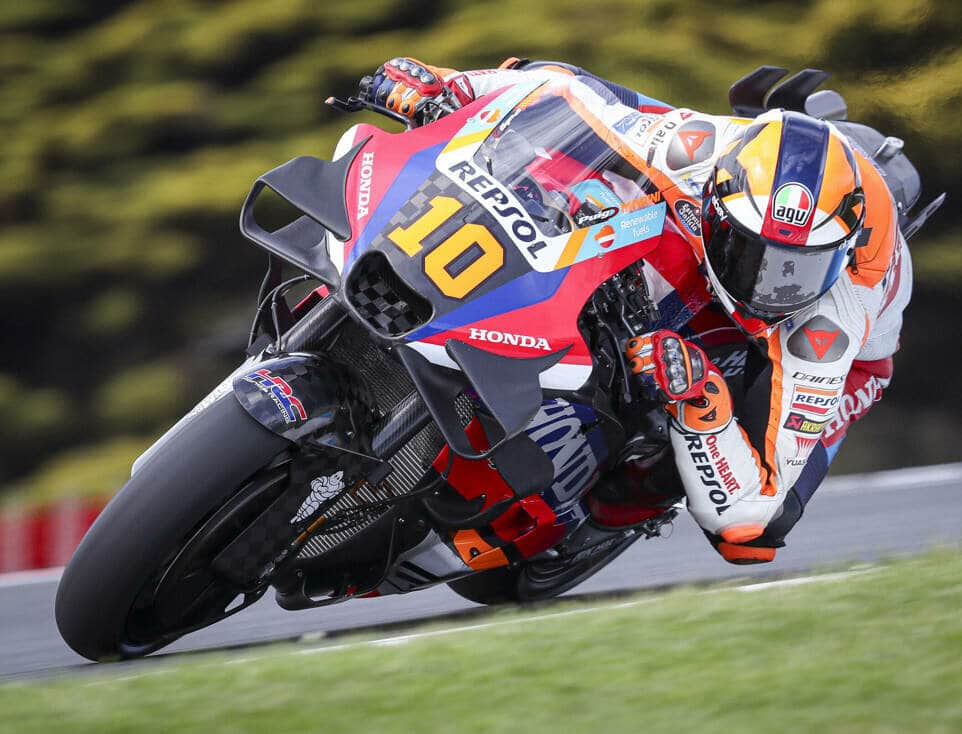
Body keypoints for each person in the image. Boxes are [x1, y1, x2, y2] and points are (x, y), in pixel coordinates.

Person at [358, 57, 917, 564]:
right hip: (699, 242)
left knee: (753, 532)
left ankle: (610, 512)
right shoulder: (700, 151)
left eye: (799, 267)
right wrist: (448, 86)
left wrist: (700, 399)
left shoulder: (839, 309)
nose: (769, 286)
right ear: (720, 199)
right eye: (753, 256)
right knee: (573, 122)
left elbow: (749, 512)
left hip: (837, 363)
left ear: (843, 248)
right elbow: (561, 92)